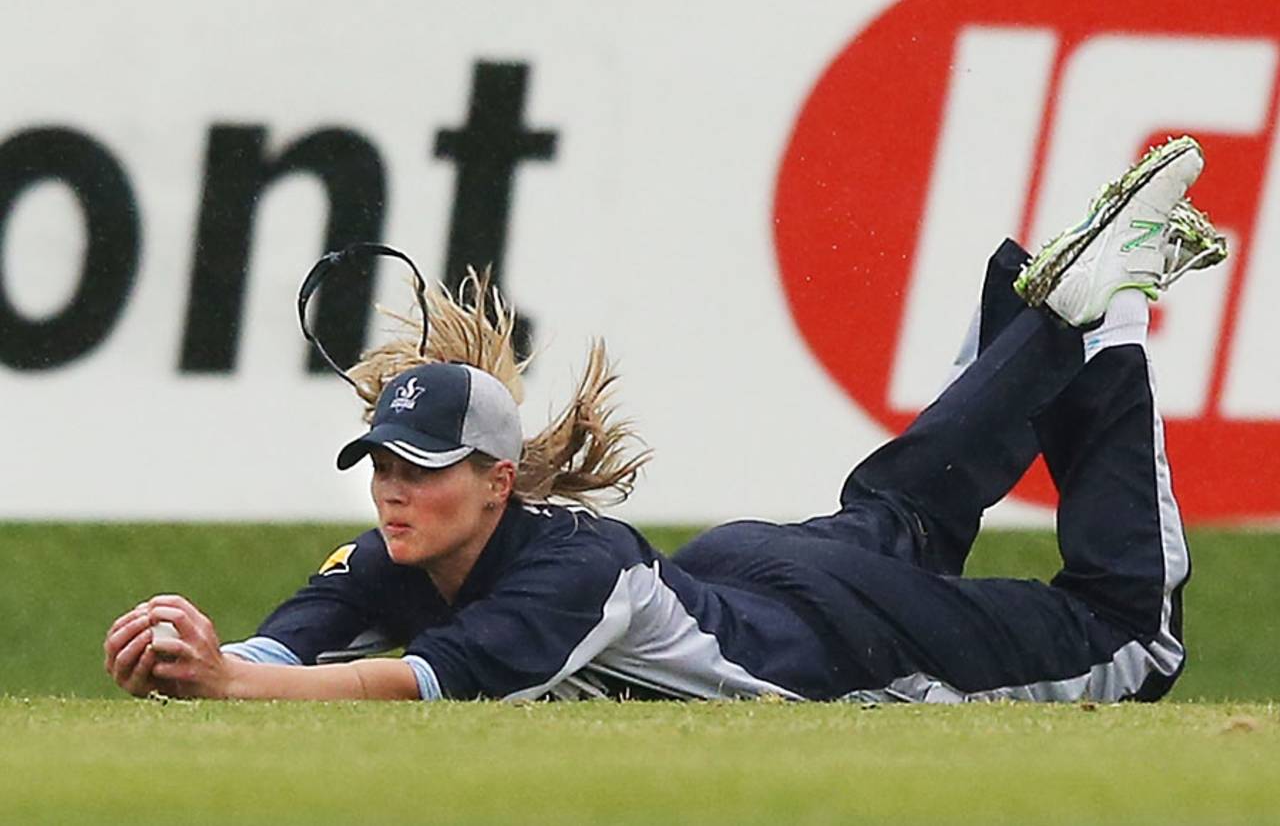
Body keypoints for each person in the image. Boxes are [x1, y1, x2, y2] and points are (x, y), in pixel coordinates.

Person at [104, 135, 1227, 704]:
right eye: (386, 464)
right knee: (901, 501)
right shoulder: (403, 545)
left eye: (429, 467)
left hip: (840, 641)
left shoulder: (565, 571)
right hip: (758, 571)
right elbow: (291, 640)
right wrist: (195, 653)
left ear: (499, 480)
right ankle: (1042, 307)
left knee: (1134, 634)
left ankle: (1101, 314)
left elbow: (400, 682)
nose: (398, 490)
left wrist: (236, 684)